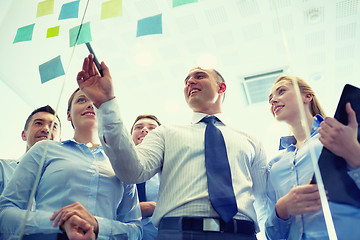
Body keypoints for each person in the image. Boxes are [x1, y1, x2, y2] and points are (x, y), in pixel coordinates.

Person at [73, 54, 268, 240]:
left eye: (199, 76)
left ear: (221, 87)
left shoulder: (251, 140)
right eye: (186, 80)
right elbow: (132, 172)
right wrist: (106, 104)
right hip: (177, 233)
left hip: (242, 233)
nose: (189, 82)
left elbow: (264, 198)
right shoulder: (165, 133)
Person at [0, 88, 142, 240]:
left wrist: (97, 225)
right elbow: (5, 213)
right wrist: (60, 223)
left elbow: (137, 230)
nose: (90, 104)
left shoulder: (121, 162)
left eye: (96, 101)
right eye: (82, 100)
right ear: (68, 115)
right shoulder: (44, 149)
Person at [266, 75, 360, 239]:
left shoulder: (339, 135)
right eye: (270, 99)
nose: (273, 100)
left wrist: (354, 153)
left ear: (307, 96)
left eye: (281, 91)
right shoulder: (274, 165)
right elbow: (272, 235)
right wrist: (281, 208)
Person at [0, 105, 61, 195]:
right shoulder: (2, 169)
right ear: (24, 135)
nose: (46, 129)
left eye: (53, 127)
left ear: (60, 141)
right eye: (39, 123)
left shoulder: (63, 182)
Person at [131, 114, 161, 240]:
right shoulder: (114, 166)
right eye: (138, 127)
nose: (144, 130)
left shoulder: (168, 169)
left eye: (152, 128)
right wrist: (142, 208)